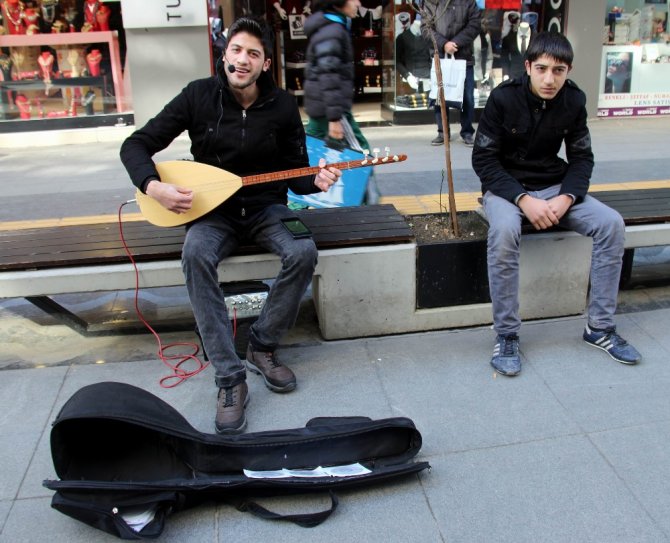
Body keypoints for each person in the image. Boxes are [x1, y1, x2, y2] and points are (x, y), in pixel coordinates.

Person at [120, 16, 341, 434]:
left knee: (302, 251)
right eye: (236, 51)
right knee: (195, 255)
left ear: (266, 64)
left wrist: (317, 179)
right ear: (225, 55)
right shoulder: (198, 96)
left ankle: (261, 345)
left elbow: (294, 173)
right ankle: (228, 377)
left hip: (265, 209)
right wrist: (154, 187)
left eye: (253, 54)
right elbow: (136, 144)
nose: (242, 60)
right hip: (211, 211)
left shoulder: (280, 106)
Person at [471, 31, 641, 377]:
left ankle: (600, 328)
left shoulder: (574, 101)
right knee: (504, 230)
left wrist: (566, 198)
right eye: (543, 69)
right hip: (506, 189)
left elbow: (582, 159)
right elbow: (484, 161)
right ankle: (506, 334)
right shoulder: (503, 99)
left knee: (611, 223)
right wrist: (523, 200)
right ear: (529, 67)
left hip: (555, 186)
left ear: (569, 71)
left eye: (559, 71)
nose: (550, 79)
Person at [303, 0, 369, 151]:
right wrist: (334, 119)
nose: (358, 3)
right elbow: (328, 73)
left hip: (321, 107)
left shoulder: (328, 27)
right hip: (330, 110)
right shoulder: (332, 30)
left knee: (312, 155)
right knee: (362, 156)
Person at [420, 0, 481, 146]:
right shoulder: (430, 2)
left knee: (467, 98)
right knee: (440, 96)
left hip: (463, 55)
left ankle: (467, 131)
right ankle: (442, 132)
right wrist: (443, 44)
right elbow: (426, 28)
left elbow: (475, 24)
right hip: (439, 56)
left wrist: (456, 43)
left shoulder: (468, 2)